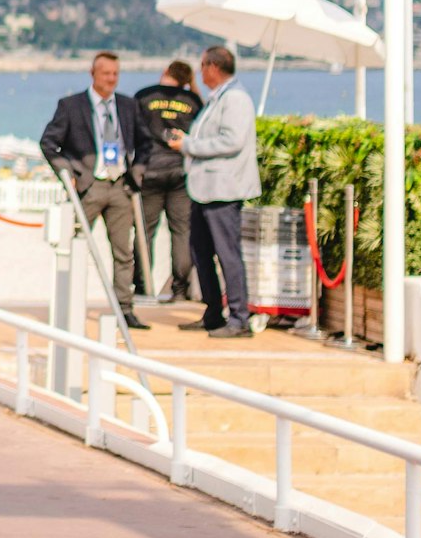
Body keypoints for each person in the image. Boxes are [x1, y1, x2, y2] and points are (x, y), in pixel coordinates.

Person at [39, 49, 148, 329]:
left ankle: (125, 309)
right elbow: (49, 143)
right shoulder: (71, 106)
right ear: (93, 74)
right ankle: (69, 305)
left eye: (115, 74)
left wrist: (136, 172)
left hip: (120, 186)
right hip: (88, 187)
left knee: (124, 252)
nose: (111, 79)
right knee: (75, 247)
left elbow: (146, 143)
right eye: (106, 73)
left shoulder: (128, 106)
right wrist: (68, 174)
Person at [167, 43, 259, 336]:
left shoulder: (236, 99)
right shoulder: (218, 98)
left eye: (203, 65)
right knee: (201, 252)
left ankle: (239, 317)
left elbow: (231, 140)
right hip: (204, 190)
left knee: (227, 254)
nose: (200, 71)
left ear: (213, 67)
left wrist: (189, 145)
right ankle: (213, 313)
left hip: (223, 191)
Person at [132, 58, 201, 305]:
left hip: (150, 169)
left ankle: (142, 286)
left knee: (144, 231)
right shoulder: (193, 101)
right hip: (180, 170)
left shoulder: (144, 96)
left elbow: (131, 131)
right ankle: (180, 289)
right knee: (181, 231)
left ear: (165, 72)